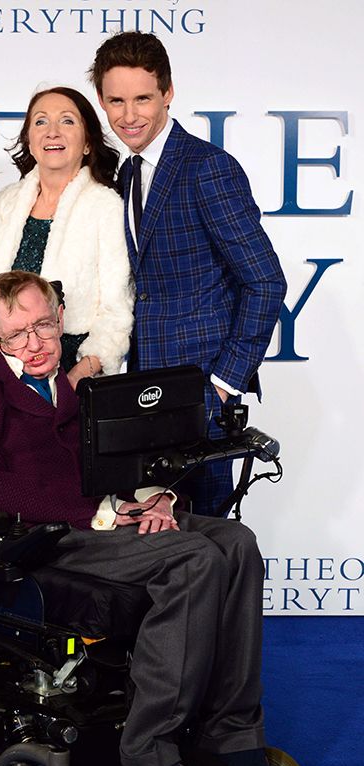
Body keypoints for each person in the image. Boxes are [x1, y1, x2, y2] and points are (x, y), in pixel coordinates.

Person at [0, 270, 296, 766]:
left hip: (98, 519)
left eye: (45, 326)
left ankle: (232, 735)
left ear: (61, 322)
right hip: (40, 539)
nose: (35, 344)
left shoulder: (67, 387)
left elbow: (111, 465)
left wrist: (156, 496)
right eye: (18, 334)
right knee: (194, 560)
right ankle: (148, 754)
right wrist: (98, 512)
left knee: (236, 542)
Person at [88, 32, 287, 516]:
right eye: (116, 100)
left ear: (168, 93)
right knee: (149, 553)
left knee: (206, 546)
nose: (128, 115)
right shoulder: (122, 173)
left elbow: (265, 281)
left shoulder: (206, 168)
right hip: (140, 395)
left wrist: (223, 383)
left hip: (201, 399)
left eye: (142, 98)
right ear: (101, 100)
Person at [0, 87, 134, 389]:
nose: (52, 132)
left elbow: (117, 310)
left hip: (73, 368)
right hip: (6, 366)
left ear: (87, 143)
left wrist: (78, 377)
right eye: (41, 122)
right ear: (29, 141)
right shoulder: (5, 204)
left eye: (67, 121)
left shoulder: (106, 206)